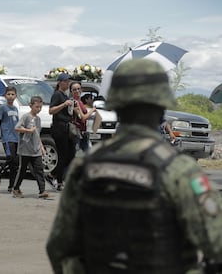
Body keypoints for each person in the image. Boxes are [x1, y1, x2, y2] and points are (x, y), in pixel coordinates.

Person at [46, 59, 222, 274]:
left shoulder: (86, 166)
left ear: (117, 106)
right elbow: (216, 243)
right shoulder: (180, 170)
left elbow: (58, 247)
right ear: (161, 107)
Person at [12, 96, 49, 199]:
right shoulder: (26, 117)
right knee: (22, 170)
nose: (39, 109)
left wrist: (41, 147)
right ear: (31, 106)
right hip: (25, 150)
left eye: (40, 107)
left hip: (35, 149)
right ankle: (16, 188)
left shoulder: (38, 119)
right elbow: (17, 128)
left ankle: (42, 190)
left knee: (39, 169)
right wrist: (28, 130)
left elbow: (37, 134)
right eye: (37, 107)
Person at [0, 86, 19, 193]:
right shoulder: (2, 108)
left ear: (16, 96)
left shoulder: (15, 109)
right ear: (5, 96)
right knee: (11, 158)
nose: (10, 96)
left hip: (16, 138)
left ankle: (12, 186)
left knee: (15, 164)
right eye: (8, 94)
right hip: (7, 138)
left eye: (12, 94)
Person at [48, 73, 75, 191]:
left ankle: (53, 174)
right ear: (60, 82)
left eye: (68, 81)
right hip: (59, 128)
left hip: (67, 128)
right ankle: (59, 181)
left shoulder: (66, 95)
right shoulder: (57, 95)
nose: (68, 83)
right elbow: (51, 110)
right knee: (63, 155)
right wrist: (64, 104)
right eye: (66, 81)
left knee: (70, 154)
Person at [70, 81, 96, 152]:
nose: (77, 91)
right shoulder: (74, 103)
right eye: (74, 89)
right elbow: (83, 118)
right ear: (71, 92)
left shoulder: (80, 102)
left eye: (78, 89)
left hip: (83, 133)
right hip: (77, 134)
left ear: (81, 90)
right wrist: (92, 110)